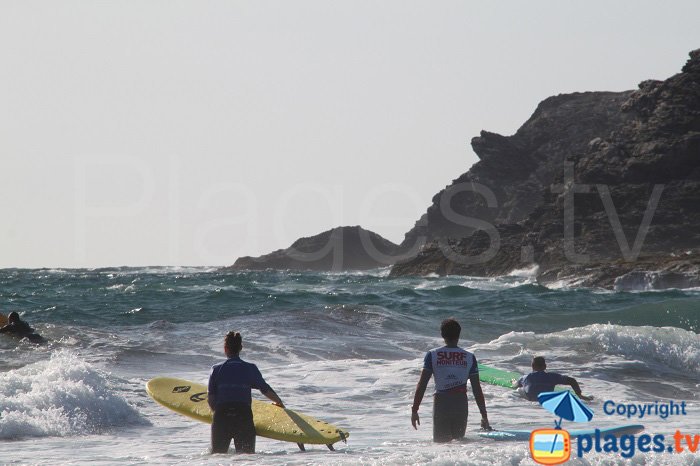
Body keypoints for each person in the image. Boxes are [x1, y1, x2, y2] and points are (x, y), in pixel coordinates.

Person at [411, 318, 491, 442]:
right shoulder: (469, 357)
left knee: (441, 445)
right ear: (459, 334)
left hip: (441, 403)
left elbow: (422, 384)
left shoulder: (432, 355)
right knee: (458, 444)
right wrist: (484, 416)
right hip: (460, 404)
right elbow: (476, 389)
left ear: (442, 335)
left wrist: (415, 410)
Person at [207, 331, 285, 454]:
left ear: (225, 349)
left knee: (217, 456)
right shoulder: (250, 368)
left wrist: (218, 416)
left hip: (222, 415)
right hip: (243, 416)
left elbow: (211, 398)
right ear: (241, 348)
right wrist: (278, 402)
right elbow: (264, 389)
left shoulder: (216, 369)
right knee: (246, 457)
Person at [515, 356, 592, 401]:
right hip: (546, 400)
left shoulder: (526, 377)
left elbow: (518, 384)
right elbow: (572, 380)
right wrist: (579, 395)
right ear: (545, 366)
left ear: (532, 366)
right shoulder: (552, 376)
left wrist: (515, 383)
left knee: (519, 389)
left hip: (529, 401)